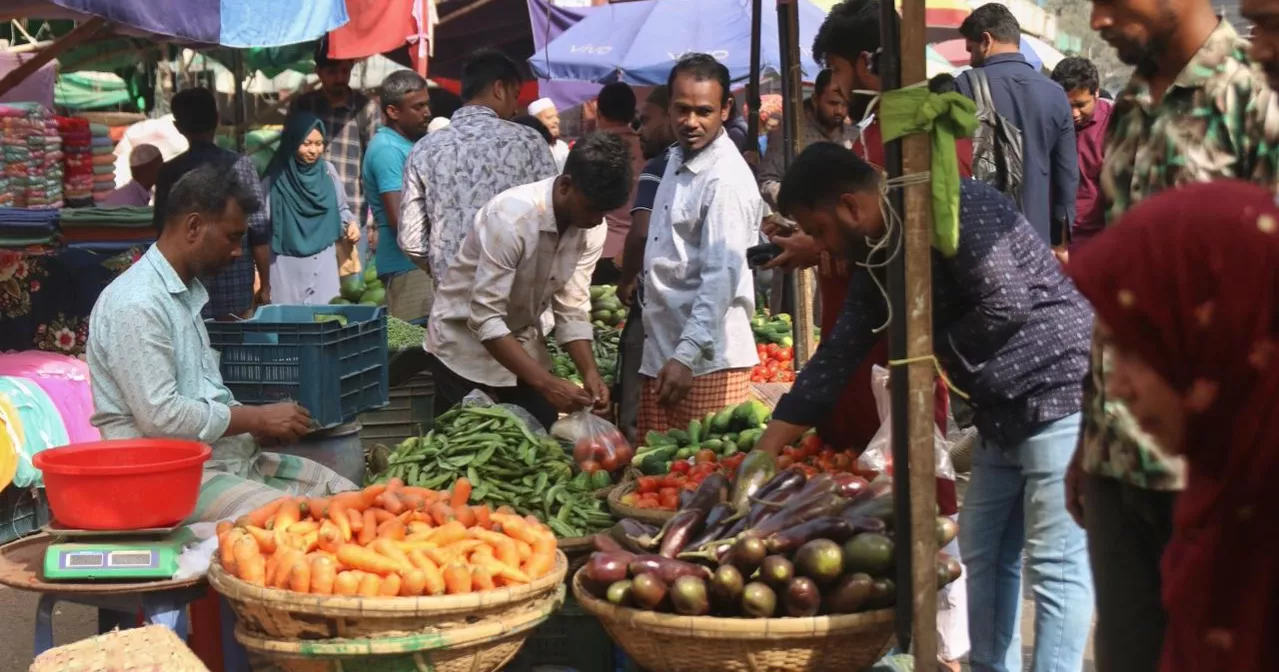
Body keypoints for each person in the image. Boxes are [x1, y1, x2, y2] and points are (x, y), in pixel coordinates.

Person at [755, 142, 1095, 672]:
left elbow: (1007, 301)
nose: (819, 245)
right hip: (998, 412)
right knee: (981, 557)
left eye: (818, 230)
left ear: (851, 206)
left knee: (1056, 566)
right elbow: (840, 351)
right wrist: (766, 449)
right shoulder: (877, 253)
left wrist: (923, 350)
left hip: (1059, 391)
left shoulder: (956, 204)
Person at [1068, 3, 1279, 669]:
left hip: (1212, 470)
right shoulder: (1128, 105)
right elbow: (1121, 291)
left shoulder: (1253, 96)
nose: (1097, 20)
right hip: (1114, 453)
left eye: (1111, 1)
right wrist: (1085, 431)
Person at [87, 163, 354, 524]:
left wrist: (254, 428)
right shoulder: (137, 304)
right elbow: (162, 418)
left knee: (352, 500)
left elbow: (204, 396)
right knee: (301, 527)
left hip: (221, 459)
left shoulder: (184, 294)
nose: (236, 253)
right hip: (164, 481)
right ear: (194, 226)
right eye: (232, 238)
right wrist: (255, 416)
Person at [777, 0, 970, 456]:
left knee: (894, 479)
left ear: (865, 63)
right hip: (860, 338)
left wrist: (825, 244)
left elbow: (915, 244)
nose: (837, 87)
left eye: (837, 70)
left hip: (888, 345)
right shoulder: (883, 130)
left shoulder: (915, 139)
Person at [425, 133, 634, 430]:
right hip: (462, 345)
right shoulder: (512, 219)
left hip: (520, 339)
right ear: (565, 185)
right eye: (591, 208)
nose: (597, 220)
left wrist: (590, 373)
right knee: (464, 438)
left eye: (604, 213)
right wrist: (547, 384)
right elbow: (485, 319)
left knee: (538, 433)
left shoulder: (591, 228)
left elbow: (572, 306)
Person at [636, 54, 763, 438]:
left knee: (701, 480)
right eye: (682, 109)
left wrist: (685, 356)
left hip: (703, 364)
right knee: (655, 486)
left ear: (725, 110)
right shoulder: (674, 159)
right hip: (662, 352)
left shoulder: (725, 180)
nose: (691, 122)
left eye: (704, 111)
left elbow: (720, 278)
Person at [398, 49, 557, 289]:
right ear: (499, 89)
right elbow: (552, 221)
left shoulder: (424, 149)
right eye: (515, 96)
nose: (516, 109)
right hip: (515, 300)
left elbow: (412, 241)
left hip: (452, 300)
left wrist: (444, 270)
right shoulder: (530, 142)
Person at [955, 3, 1077, 251]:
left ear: (986, 40)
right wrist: (1057, 238)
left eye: (971, 49)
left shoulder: (965, 85)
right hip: (1036, 238)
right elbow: (1067, 176)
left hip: (981, 238)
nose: (970, 59)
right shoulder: (1056, 94)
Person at [153, 88, 270, 320]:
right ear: (217, 118)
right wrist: (266, 284)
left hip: (187, 292)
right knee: (238, 353)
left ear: (178, 127)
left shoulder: (169, 172)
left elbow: (161, 232)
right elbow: (259, 231)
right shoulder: (241, 165)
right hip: (235, 294)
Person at [616, 85, 676, 444]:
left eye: (647, 120)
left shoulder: (659, 167)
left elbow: (640, 232)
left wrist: (625, 281)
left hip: (653, 304)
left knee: (635, 408)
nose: (639, 129)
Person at [289, 38, 380, 256]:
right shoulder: (303, 106)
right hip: (308, 214)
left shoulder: (365, 108)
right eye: (332, 72)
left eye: (345, 71)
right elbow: (288, 159)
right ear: (318, 72)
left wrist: (374, 221)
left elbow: (375, 166)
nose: (340, 78)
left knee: (353, 287)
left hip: (352, 216)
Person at [261, 113, 357, 305]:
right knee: (291, 326)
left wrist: (350, 222)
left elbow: (341, 207)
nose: (314, 150)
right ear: (291, 142)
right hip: (285, 265)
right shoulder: (275, 179)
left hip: (324, 261)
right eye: (306, 144)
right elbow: (260, 225)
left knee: (326, 322)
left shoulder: (328, 172)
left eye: (319, 143)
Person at [362, 70, 434, 321]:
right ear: (393, 111)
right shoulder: (387, 150)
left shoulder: (410, 144)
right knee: (417, 353)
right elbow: (400, 220)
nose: (427, 112)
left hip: (422, 266)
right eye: (418, 107)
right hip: (408, 268)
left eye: (427, 104)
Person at [758, 69, 854, 210]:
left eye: (844, 104)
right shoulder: (791, 133)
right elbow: (766, 182)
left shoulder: (853, 135)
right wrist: (802, 203)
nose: (840, 111)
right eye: (833, 103)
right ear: (816, 99)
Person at [1050, 56, 1113, 252]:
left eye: (1080, 105)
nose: (1073, 114)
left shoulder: (1115, 126)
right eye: (1067, 105)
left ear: (1096, 92)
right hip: (1052, 238)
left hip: (1096, 242)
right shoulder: (1048, 121)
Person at [594, 81, 647, 286]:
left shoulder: (592, 150)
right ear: (633, 113)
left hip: (600, 252)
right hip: (640, 252)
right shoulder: (647, 149)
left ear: (599, 113)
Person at [529, 97, 571, 170]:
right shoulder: (530, 151)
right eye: (549, 117)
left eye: (557, 117)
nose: (556, 121)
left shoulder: (563, 147)